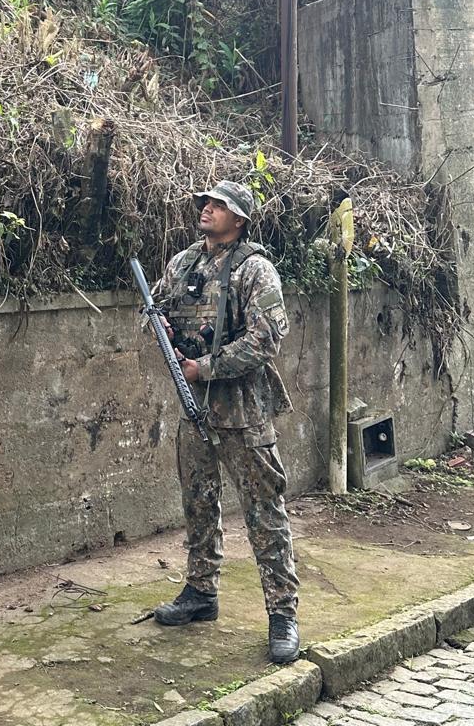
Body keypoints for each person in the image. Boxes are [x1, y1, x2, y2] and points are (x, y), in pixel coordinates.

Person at [148, 179, 300, 665]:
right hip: (195, 408)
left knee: (263, 511)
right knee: (198, 502)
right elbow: (155, 308)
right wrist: (163, 330)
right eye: (205, 203)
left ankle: (282, 614)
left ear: (240, 219)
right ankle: (200, 592)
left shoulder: (256, 270)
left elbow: (266, 339)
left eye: (219, 205)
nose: (208, 210)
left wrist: (206, 367)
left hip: (242, 411)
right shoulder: (183, 263)